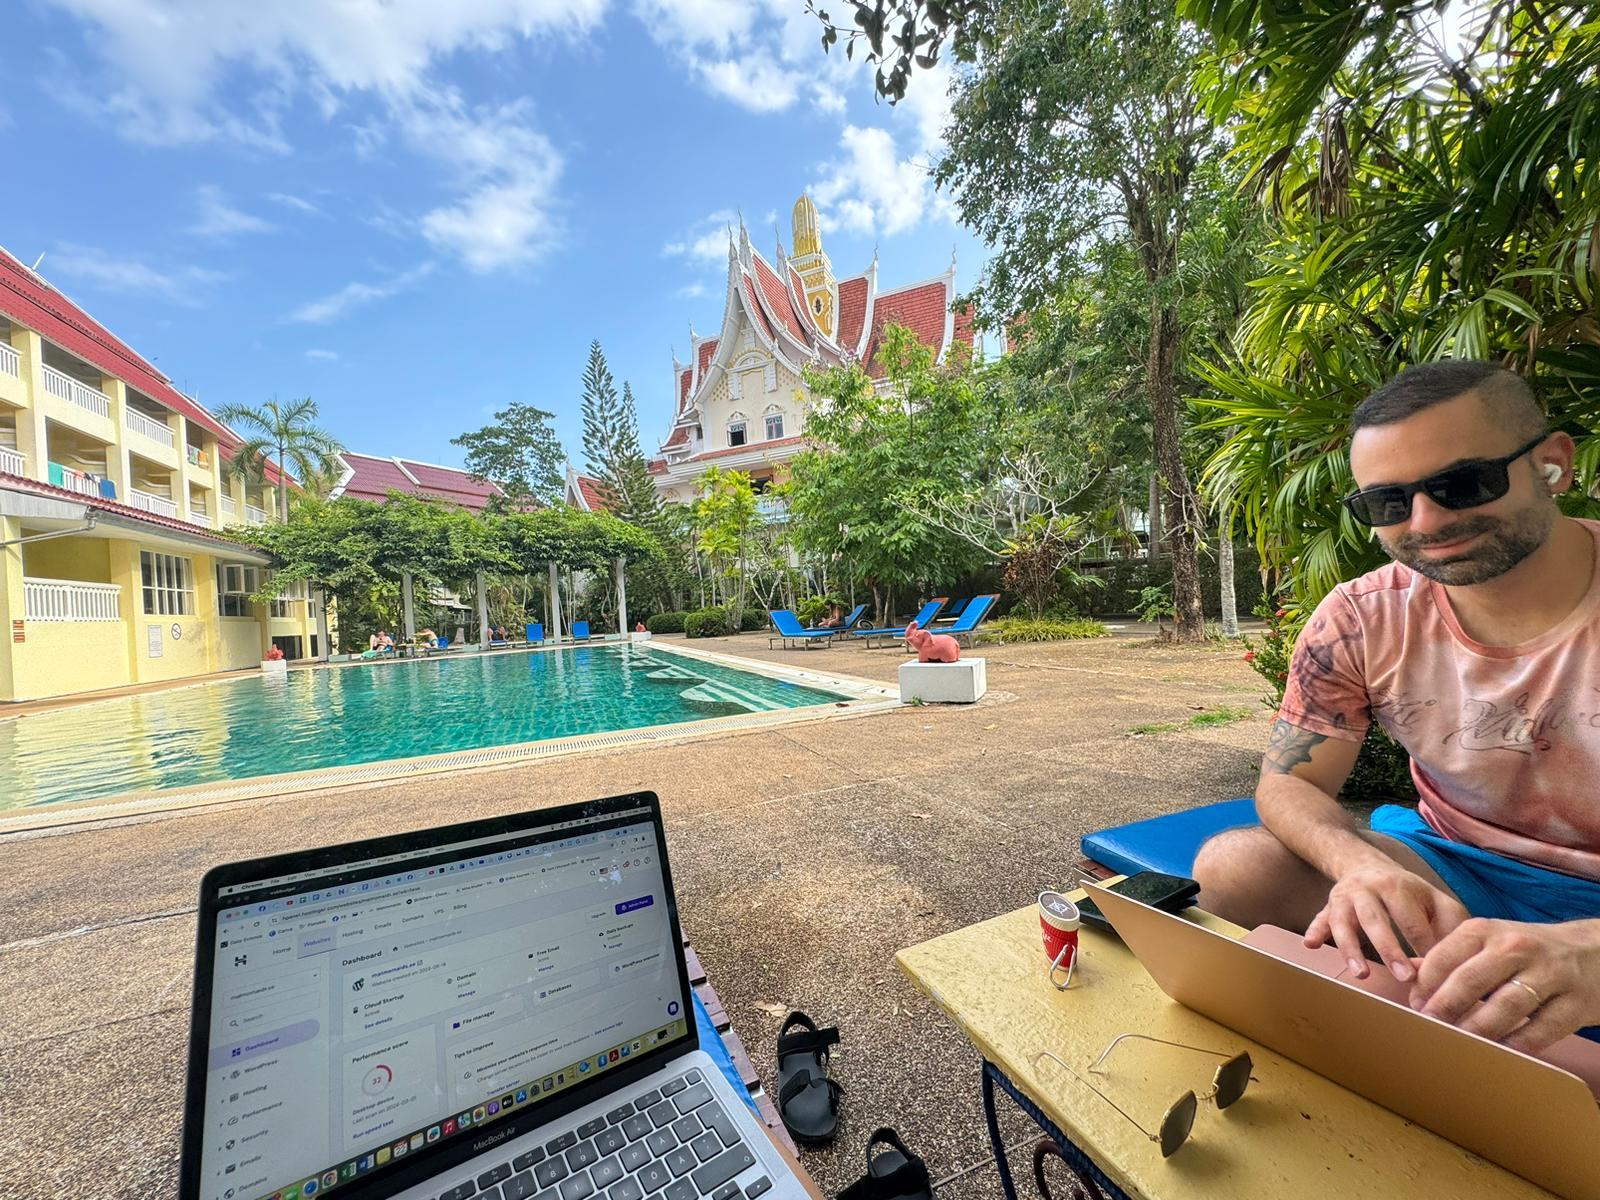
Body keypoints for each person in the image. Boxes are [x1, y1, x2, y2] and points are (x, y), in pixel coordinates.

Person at [1193, 360, 1600, 1054]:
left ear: (1551, 464)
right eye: (1388, 502)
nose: (1427, 521)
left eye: (1463, 483)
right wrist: (1358, 865)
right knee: (1234, 868)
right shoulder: (1360, 619)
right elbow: (1290, 780)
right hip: (1455, 870)